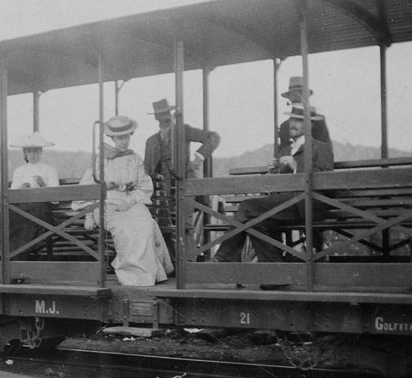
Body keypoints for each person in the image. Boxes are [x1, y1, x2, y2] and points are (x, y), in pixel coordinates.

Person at [213, 104, 334, 285]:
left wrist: (296, 168)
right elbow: (278, 187)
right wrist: (273, 173)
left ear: (310, 124)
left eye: (299, 120)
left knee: (247, 207)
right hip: (285, 205)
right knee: (254, 222)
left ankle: (224, 257)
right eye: (292, 119)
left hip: (306, 205)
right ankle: (276, 276)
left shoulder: (321, 148)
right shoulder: (284, 151)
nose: (293, 123)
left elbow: (325, 181)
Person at [74, 115, 173, 286]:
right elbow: (89, 188)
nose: (124, 141)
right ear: (112, 138)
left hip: (130, 201)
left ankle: (148, 275)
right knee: (125, 229)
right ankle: (132, 277)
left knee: (146, 225)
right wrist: (89, 215)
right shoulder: (101, 159)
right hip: (107, 203)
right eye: (119, 138)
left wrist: (131, 200)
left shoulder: (135, 159)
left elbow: (143, 186)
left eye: (126, 137)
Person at [143, 98, 220, 260]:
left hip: (185, 187)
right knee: (162, 228)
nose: (165, 117)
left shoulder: (183, 131)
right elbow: (147, 171)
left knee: (185, 226)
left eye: (167, 113)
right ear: (156, 117)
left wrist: (199, 157)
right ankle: (172, 265)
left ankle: (190, 265)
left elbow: (213, 137)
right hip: (162, 193)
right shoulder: (151, 141)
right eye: (161, 114)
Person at [9, 132, 60, 260]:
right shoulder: (19, 171)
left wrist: (43, 185)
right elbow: (11, 196)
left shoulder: (49, 169)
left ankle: (19, 260)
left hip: (41, 210)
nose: (32, 154)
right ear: (25, 153)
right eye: (29, 151)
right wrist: (19, 190)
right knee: (14, 221)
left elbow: (56, 199)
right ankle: (15, 260)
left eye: (35, 151)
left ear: (40, 151)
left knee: (27, 223)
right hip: (20, 209)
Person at [278, 76, 331, 151]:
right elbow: (282, 152)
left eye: (300, 94)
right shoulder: (284, 126)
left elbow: (325, 150)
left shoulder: (317, 121)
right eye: (293, 94)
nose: (296, 97)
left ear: (305, 97)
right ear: (289, 98)